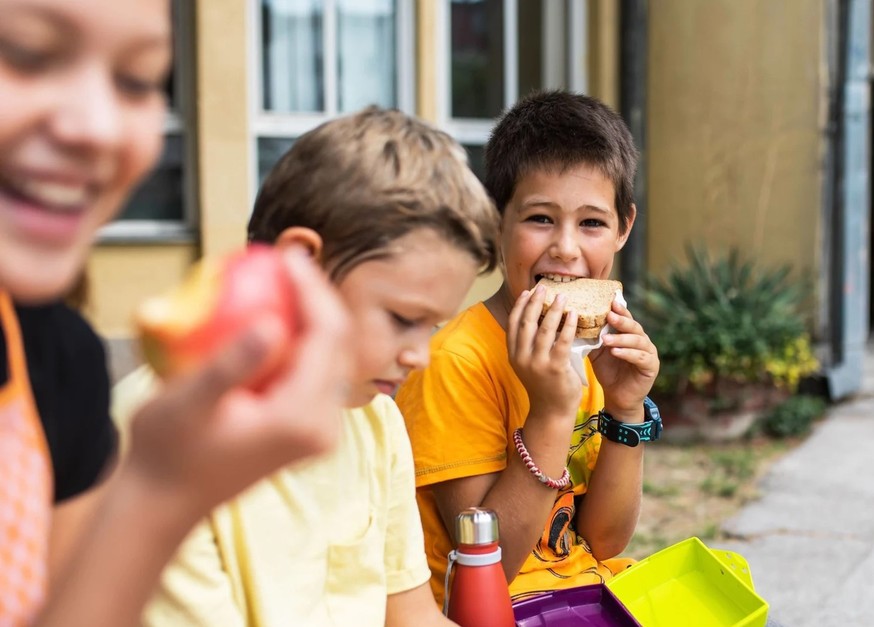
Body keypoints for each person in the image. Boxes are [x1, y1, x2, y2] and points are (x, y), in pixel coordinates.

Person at [0, 0, 352, 625]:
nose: (98, 127)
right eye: (24, 53)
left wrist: (160, 490)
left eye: (137, 79)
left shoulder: (59, 359)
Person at [110, 107, 498, 626]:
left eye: (432, 326)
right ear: (301, 264)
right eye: (403, 319)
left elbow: (410, 615)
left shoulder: (376, 417)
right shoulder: (165, 439)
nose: (419, 355)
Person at [396, 90, 661, 604]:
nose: (566, 248)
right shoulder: (455, 363)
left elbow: (605, 541)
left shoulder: (591, 354)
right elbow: (488, 571)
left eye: (592, 223)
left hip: (581, 596)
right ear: (496, 221)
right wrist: (552, 412)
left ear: (623, 228)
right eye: (541, 218)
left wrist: (626, 409)